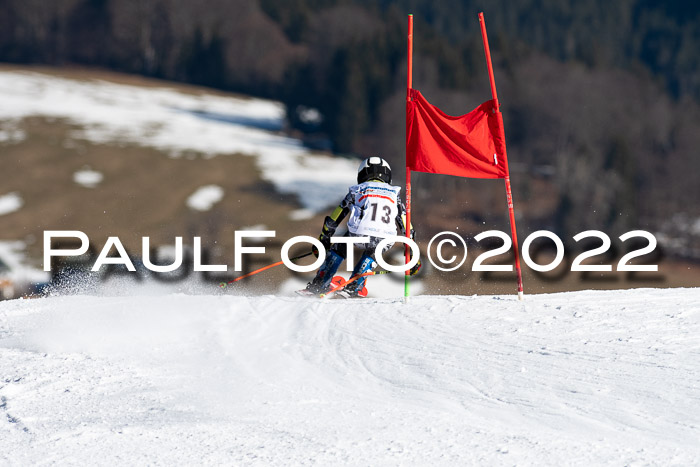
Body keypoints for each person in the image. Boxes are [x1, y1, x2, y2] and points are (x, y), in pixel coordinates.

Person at [301, 156, 420, 297]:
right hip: (385, 237)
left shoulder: (357, 190)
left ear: (362, 174)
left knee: (341, 245)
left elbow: (334, 219)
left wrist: (324, 240)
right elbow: (407, 227)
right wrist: (412, 256)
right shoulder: (394, 194)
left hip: (358, 234)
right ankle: (355, 285)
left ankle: (320, 283)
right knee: (375, 249)